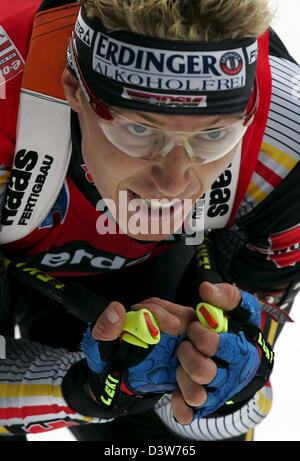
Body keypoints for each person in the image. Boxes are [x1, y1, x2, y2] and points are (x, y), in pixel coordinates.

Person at [0, 0, 299, 442]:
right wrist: (81, 391)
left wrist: (228, 385)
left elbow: (225, 405)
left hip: (157, 266)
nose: (173, 182)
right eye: (139, 130)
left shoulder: (284, 135)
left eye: (213, 134)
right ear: (74, 91)